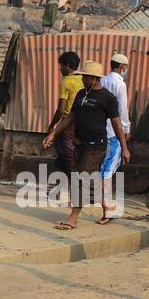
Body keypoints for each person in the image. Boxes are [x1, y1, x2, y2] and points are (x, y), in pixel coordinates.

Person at [41, 61, 130, 229]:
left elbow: (117, 124)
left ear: (94, 78)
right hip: (79, 144)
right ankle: (108, 209)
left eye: (85, 77)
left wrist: (124, 148)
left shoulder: (107, 98)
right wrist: (53, 134)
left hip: (96, 146)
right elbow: (69, 117)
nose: (82, 79)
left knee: (80, 178)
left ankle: (73, 218)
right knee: (91, 178)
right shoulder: (81, 94)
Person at [46, 50, 83, 200]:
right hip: (81, 123)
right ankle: (59, 188)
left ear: (67, 65)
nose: (60, 69)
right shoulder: (82, 79)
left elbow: (61, 109)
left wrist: (52, 126)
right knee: (63, 158)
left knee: (68, 159)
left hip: (68, 124)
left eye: (61, 65)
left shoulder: (67, 81)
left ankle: (75, 194)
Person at [100, 53, 130, 219]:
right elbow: (122, 110)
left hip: (102, 130)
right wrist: (126, 129)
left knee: (104, 166)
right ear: (122, 67)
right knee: (108, 169)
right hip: (114, 132)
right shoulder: (120, 84)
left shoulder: (103, 80)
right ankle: (107, 206)